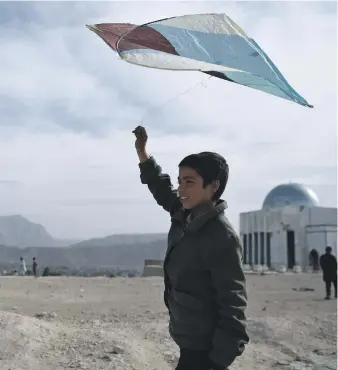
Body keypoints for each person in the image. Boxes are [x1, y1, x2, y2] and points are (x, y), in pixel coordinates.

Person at [133, 126, 249, 370]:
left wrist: (217, 361)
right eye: (180, 182)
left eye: (189, 182)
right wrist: (143, 153)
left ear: (213, 186)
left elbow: (233, 303)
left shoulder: (221, 236)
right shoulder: (185, 213)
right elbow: (161, 188)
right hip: (188, 338)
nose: (181, 189)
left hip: (205, 352)